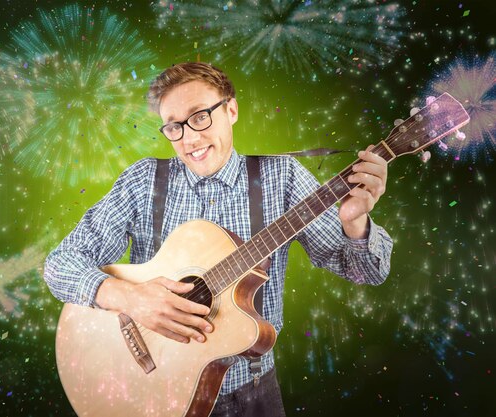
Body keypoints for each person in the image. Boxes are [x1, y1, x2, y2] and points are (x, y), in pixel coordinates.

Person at [44, 62, 393, 416]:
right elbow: (60, 265)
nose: (190, 138)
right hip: (159, 395)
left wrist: (355, 222)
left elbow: (366, 272)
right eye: (174, 127)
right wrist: (132, 298)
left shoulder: (282, 178)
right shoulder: (143, 182)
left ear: (231, 109)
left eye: (200, 117)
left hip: (253, 396)